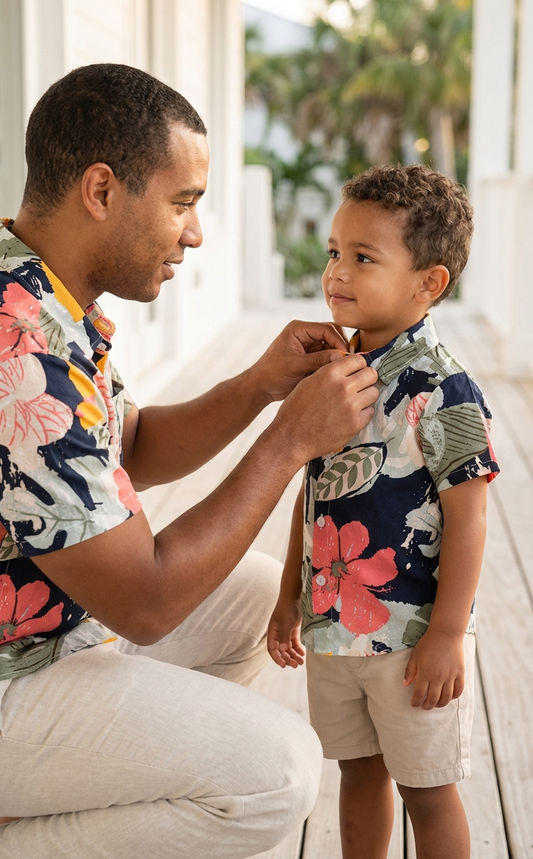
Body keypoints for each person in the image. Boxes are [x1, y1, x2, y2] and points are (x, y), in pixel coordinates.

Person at [0, 63, 381, 859]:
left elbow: (126, 445)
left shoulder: (42, 292)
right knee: (275, 773)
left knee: (247, 601)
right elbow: (144, 601)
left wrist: (259, 386)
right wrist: (289, 442)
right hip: (15, 670)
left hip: (43, 626)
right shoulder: (22, 349)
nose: (196, 232)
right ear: (101, 191)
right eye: (182, 203)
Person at [267, 165, 500, 859]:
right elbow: (313, 488)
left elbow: (469, 517)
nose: (336, 270)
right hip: (334, 629)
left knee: (425, 789)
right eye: (335, 250)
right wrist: (288, 595)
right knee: (356, 772)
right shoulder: (331, 373)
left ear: (427, 283)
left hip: (409, 638)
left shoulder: (443, 385)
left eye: (362, 257)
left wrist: (447, 634)